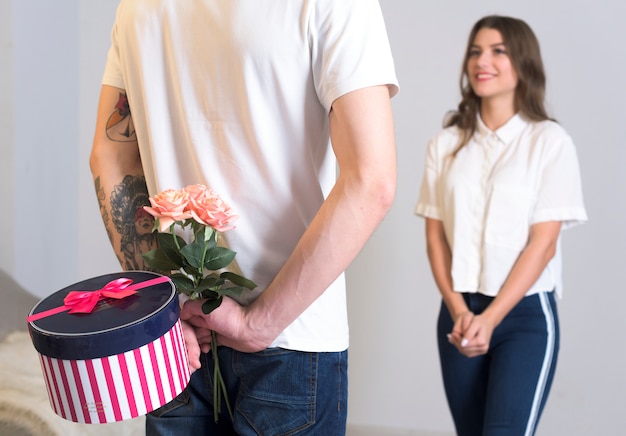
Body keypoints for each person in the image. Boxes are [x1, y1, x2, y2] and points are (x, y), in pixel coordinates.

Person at [90, 1, 399, 434]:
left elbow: (112, 154)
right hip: (290, 336)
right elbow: (372, 181)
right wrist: (259, 323)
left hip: (180, 334)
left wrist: (161, 311)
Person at [415, 15, 587, 436]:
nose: (481, 61)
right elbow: (436, 236)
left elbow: (542, 245)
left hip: (524, 315)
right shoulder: (446, 144)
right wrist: (459, 310)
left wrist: (490, 319)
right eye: (475, 51)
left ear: (523, 63)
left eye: (497, 51)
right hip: (457, 314)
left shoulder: (550, 143)